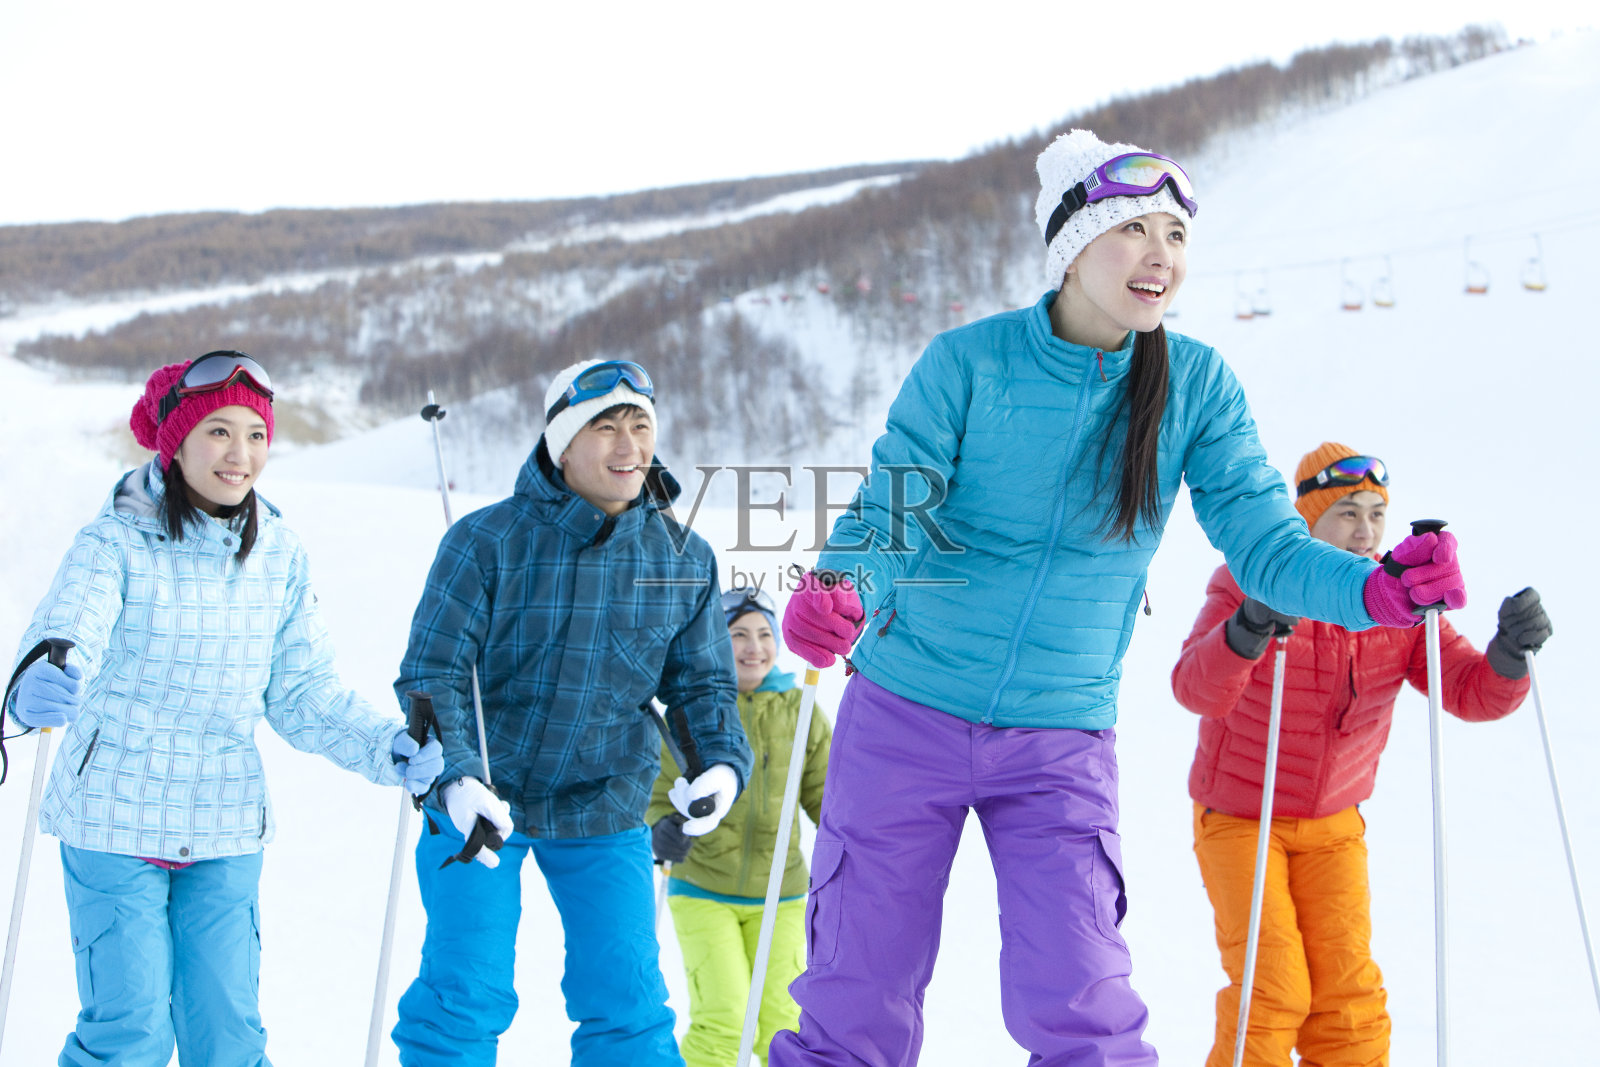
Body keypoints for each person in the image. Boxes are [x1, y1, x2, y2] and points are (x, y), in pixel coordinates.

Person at [770, 129, 1470, 1067]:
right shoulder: (966, 364)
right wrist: (842, 589)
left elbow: (1265, 541)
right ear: (1071, 245)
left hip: (1058, 734)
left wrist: (1376, 590)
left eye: (1175, 235)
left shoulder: (1197, 388)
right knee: (858, 992)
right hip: (906, 709)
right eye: (1133, 227)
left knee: (1085, 1001)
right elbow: (896, 507)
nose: (1160, 255)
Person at [3, 350, 443, 1067]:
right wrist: (35, 680)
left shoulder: (280, 552)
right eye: (218, 431)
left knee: (228, 1035)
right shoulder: (113, 542)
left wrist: (384, 744)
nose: (240, 455)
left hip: (223, 823)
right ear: (175, 440)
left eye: (257, 435)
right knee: (130, 1029)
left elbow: (303, 691)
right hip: (114, 816)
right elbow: (66, 627)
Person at [391, 358, 755, 1067]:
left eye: (640, 425)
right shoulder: (485, 541)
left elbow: (703, 688)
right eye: (604, 427)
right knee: (465, 990)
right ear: (561, 444)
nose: (628, 447)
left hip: (604, 802)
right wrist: (455, 778)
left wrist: (720, 765)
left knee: (627, 1002)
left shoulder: (682, 558)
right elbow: (430, 675)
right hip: (484, 805)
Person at [1170, 442, 1549, 1067]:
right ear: (1308, 519)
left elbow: (1470, 690)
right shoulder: (1248, 580)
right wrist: (1252, 624)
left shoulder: (1397, 605)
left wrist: (1509, 653)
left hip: (1334, 829)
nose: (1365, 529)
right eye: (1347, 512)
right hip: (1243, 819)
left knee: (1349, 998)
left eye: (1376, 513)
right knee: (1272, 989)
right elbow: (1195, 689)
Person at [648, 584, 832, 1067]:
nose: (755, 647)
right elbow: (654, 794)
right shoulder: (690, 714)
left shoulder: (801, 710)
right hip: (704, 890)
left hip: (783, 893)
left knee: (781, 1022)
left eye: (764, 634)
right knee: (724, 1018)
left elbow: (829, 797)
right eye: (738, 634)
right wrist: (662, 827)